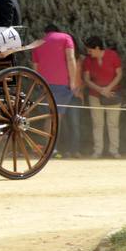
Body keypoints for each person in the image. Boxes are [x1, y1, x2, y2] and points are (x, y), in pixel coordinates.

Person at [29, 23, 78, 157]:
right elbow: (71, 58)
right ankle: (52, 148)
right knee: (56, 118)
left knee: (49, 117)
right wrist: (73, 81)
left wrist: (38, 84)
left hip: (45, 84)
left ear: (46, 33)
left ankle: (51, 147)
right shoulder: (66, 38)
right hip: (62, 84)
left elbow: (35, 67)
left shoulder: (38, 43)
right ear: (58, 31)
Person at [82, 35, 121, 158]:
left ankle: (114, 151)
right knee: (97, 124)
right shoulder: (88, 60)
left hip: (113, 95)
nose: (88, 53)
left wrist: (108, 89)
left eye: (90, 50)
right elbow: (86, 79)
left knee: (113, 124)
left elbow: (119, 74)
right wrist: (101, 90)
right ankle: (98, 151)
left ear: (97, 48)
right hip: (95, 96)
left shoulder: (112, 55)